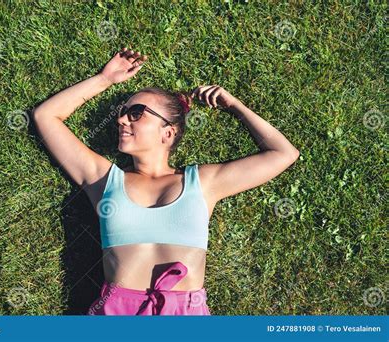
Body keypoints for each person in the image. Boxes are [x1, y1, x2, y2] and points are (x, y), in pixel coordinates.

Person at [33, 47, 300, 315]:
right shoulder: (104, 180)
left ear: (168, 132)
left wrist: (235, 106)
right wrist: (104, 79)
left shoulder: (203, 182)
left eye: (136, 113)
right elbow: (46, 116)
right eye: (122, 113)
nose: (121, 120)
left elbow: (283, 154)